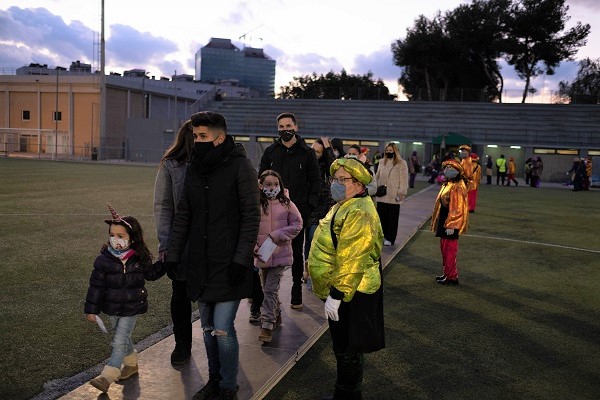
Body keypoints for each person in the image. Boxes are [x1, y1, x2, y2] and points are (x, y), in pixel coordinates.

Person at [166, 111, 260, 400]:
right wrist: (173, 254)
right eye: (195, 136)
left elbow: (251, 217)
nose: (197, 141)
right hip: (200, 263)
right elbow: (184, 213)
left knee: (222, 328)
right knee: (207, 328)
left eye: (203, 136)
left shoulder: (241, 166)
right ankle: (214, 381)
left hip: (229, 264)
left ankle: (229, 386)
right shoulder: (194, 167)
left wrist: (241, 260)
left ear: (219, 138)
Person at [308, 157, 385, 400]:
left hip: (352, 290)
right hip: (345, 288)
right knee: (343, 346)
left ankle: (347, 396)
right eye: (335, 179)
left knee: (348, 348)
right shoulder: (345, 204)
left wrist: (337, 294)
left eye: (344, 180)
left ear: (359, 184)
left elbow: (352, 257)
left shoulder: (359, 211)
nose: (336, 184)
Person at [85, 204, 165, 393]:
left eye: (120, 236)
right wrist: (91, 309)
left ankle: (107, 377)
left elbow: (151, 274)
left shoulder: (139, 258)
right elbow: (96, 285)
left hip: (132, 306)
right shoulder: (104, 259)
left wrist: (165, 262)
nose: (115, 239)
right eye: (112, 235)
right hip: (112, 307)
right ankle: (131, 364)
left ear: (132, 238)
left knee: (119, 340)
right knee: (122, 337)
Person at [259, 112, 320, 310]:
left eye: (288, 126)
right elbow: (261, 179)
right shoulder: (270, 152)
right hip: (272, 212)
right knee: (269, 251)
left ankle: (296, 290)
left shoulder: (307, 153)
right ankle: (269, 297)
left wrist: (309, 206)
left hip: (297, 212)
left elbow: (316, 181)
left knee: (296, 251)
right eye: (281, 127)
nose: (285, 130)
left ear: (296, 127)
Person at [153, 119, 195, 366]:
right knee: (180, 294)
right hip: (181, 240)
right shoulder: (172, 165)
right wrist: (165, 243)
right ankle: (182, 344)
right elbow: (163, 205)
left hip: (210, 240)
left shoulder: (217, 162)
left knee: (212, 295)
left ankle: (216, 346)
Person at [254, 170, 303, 343]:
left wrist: (277, 235)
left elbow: (297, 224)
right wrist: (254, 246)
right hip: (262, 254)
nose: (272, 188)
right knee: (267, 288)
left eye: (276, 184)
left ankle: (267, 324)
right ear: (261, 186)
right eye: (268, 184)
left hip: (280, 253)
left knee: (270, 289)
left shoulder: (287, 204)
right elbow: (249, 227)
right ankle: (277, 313)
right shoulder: (256, 205)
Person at [431, 160, 469, 285]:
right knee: (444, 248)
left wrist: (452, 225)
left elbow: (457, 208)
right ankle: (447, 273)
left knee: (450, 250)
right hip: (445, 219)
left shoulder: (457, 186)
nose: (447, 170)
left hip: (451, 221)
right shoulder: (449, 183)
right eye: (446, 168)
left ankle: (452, 276)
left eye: (451, 168)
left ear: (457, 172)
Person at [305, 137, 336, 279]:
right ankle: (307, 268)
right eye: (313, 150)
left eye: (318, 152)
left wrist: (328, 148)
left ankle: (314, 268)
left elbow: (334, 167)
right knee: (307, 240)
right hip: (306, 204)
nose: (314, 154)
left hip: (321, 207)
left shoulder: (325, 166)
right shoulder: (306, 163)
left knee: (313, 237)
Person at [375, 142, 408, 246]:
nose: (388, 152)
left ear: (395, 151)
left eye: (391, 150)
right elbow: (377, 176)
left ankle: (390, 238)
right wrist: (375, 187)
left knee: (392, 219)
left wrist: (401, 192)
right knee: (381, 218)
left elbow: (404, 179)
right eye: (387, 150)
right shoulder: (381, 162)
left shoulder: (402, 163)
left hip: (394, 195)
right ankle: (382, 236)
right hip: (381, 194)